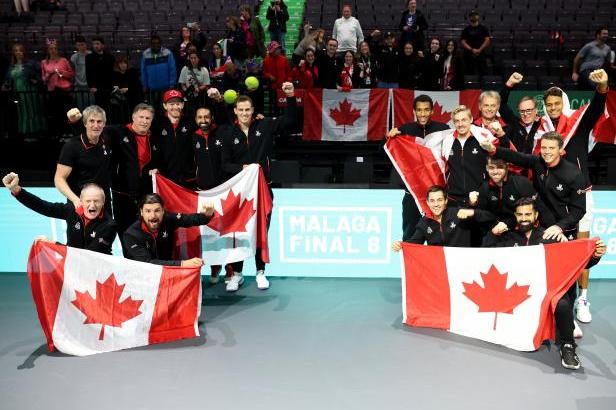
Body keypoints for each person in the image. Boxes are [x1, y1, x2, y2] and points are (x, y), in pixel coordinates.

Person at [482, 197, 606, 370]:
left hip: (546, 291)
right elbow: (483, 255)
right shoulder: (508, 238)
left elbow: (577, 263)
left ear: (536, 215)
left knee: (562, 303)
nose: (524, 218)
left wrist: (595, 255)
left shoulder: (551, 237)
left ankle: (567, 346)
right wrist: (493, 234)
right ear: (515, 216)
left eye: (528, 214)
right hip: (516, 292)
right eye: (520, 215)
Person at [541, 69, 609, 323]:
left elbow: (594, 110)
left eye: (557, 103)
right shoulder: (543, 130)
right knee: (556, 247)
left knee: (582, 246)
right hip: (552, 200)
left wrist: (602, 88)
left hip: (580, 195)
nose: (553, 108)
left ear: (564, 104)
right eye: (549, 105)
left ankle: (582, 298)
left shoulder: (577, 125)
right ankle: (558, 297)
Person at [219, 82, 298, 291]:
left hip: (263, 191)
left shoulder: (264, 126)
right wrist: (242, 168)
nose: (245, 113)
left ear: (253, 111)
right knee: (239, 233)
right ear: (235, 111)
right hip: (239, 195)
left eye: (248, 109)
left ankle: (260, 272)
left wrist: (290, 97)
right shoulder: (228, 134)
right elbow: (225, 165)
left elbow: (290, 121)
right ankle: (236, 274)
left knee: (260, 232)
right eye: (241, 110)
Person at [481, 131, 587, 244]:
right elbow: (516, 157)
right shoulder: (538, 162)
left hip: (564, 228)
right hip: (541, 226)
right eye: (544, 147)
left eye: (551, 148)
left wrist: (559, 227)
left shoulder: (574, 174)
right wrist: (493, 149)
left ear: (561, 150)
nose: (546, 152)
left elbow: (579, 210)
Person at [3, 173, 116, 254]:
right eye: (88, 201)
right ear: (81, 201)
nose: (92, 205)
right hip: (71, 268)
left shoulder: (109, 225)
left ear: (103, 202)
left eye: (96, 201)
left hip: (98, 274)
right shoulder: (72, 210)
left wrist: (53, 244)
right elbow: (44, 207)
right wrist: (17, 190)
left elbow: (89, 256)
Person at [387, 94, 450, 241]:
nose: (423, 114)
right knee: (410, 234)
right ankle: (410, 262)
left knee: (441, 235)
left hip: (437, 195)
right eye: (419, 110)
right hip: (413, 193)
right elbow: (387, 151)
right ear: (414, 111)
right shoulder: (404, 130)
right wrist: (389, 137)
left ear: (432, 111)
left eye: (426, 110)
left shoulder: (443, 129)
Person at [123, 193, 213, 266]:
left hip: (167, 271)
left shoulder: (168, 219)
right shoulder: (131, 235)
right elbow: (147, 263)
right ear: (141, 212)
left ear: (163, 211)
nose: (153, 216)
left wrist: (207, 215)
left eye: (157, 210)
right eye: (148, 211)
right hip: (141, 275)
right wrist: (182, 264)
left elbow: (189, 219)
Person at [469, 156, 554, 234]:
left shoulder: (521, 183)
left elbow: (540, 209)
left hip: (522, 229)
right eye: (491, 168)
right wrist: (473, 204)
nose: (495, 172)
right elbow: (482, 215)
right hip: (496, 231)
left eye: (500, 167)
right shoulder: (484, 187)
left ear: (507, 167)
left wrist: (554, 228)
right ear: (487, 168)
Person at [391, 185, 491, 248]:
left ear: (446, 201)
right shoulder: (424, 222)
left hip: (462, 265)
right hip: (440, 267)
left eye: (439, 200)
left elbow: (488, 216)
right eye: (432, 201)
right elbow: (415, 242)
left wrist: (472, 212)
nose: (436, 204)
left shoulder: (458, 213)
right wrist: (402, 245)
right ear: (427, 203)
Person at [55, 105, 113, 212]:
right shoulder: (71, 146)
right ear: (85, 123)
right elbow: (59, 179)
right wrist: (75, 200)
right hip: (80, 202)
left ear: (104, 124)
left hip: (103, 203)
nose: (96, 125)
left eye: (99, 121)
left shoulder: (107, 139)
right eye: (91, 121)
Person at [151, 90, 194, 187]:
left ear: (182, 105)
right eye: (171, 104)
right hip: (166, 180)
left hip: (189, 178)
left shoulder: (191, 122)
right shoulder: (156, 124)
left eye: (178, 103)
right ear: (165, 106)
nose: (175, 107)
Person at [3, 43, 46, 139]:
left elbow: (41, 75)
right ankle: (26, 132)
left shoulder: (31, 63)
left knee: (32, 111)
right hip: (18, 92)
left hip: (30, 91)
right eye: (16, 51)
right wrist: (6, 85)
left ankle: (35, 132)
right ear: (13, 53)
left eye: (20, 50)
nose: (18, 52)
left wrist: (36, 81)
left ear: (24, 52)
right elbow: (7, 79)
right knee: (23, 112)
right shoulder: (11, 66)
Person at [498, 72, 543, 155]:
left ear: (536, 110)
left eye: (529, 110)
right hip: (517, 166)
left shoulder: (544, 124)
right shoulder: (515, 123)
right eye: (522, 111)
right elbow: (501, 104)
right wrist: (509, 84)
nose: (525, 114)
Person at [41, 38, 74, 139]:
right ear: (48, 50)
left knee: (67, 112)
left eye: (55, 48)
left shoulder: (63, 60)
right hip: (52, 90)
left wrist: (62, 73)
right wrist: (48, 75)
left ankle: (68, 132)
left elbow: (71, 74)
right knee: (56, 113)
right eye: (51, 48)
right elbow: (43, 79)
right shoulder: (44, 62)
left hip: (64, 90)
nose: (53, 50)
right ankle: (58, 133)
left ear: (57, 50)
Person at [141, 35, 177, 112]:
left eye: (157, 43)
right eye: (153, 43)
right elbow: (143, 72)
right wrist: (145, 85)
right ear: (150, 44)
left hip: (165, 87)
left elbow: (172, 70)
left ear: (161, 44)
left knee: (164, 110)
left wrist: (172, 84)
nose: (155, 45)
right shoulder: (145, 54)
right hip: (151, 88)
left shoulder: (168, 53)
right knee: (152, 110)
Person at [110, 54, 143, 124]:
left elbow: (138, 86)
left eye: (125, 63)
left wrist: (128, 89)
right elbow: (112, 86)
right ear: (118, 65)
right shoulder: (114, 74)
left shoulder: (132, 72)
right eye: (121, 63)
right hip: (120, 102)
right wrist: (116, 88)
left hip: (132, 99)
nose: (123, 65)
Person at [85, 37, 115, 111]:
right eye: (94, 44)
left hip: (108, 87)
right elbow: (88, 72)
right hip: (96, 88)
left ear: (103, 45)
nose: (95, 46)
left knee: (109, 108)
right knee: (98, 108)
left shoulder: (110, 57)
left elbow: (112, 72)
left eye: (97, 44)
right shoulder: (89, 57)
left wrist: (113, 85)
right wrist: (91, 86)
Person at [178, 51, 210, 118]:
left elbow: (206, 84)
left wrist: (198, 89)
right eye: (191, 58)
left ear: (198, 59)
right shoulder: (185, 69)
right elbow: (182, 83)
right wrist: (187, 91)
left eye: (195, 58)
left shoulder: (204, 70)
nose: (193, 60)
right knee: (189, 114)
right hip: (188, 96)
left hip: (200, 96)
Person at [460, 11, 490, 76]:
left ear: (478, 17)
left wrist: (479, 50)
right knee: (469, 73)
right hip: (468, 55)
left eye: (475, 15)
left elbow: (487, 40)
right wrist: (472, 49)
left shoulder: (483, 28)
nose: (473, 17)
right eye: (471, 15)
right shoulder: (466, 29)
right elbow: (463, 42)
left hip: (481, 54)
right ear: (469, 18)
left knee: (483, 73)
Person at [70, 36, 94, 111]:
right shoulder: (73, 57)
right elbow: (72, 72)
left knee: (92, 108)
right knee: (81, 109)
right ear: (76, 46)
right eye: (79, 45)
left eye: (82, 44)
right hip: (79, 86)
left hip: (91, 86)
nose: (81, 47)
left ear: (86, 44)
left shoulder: (91, 55)